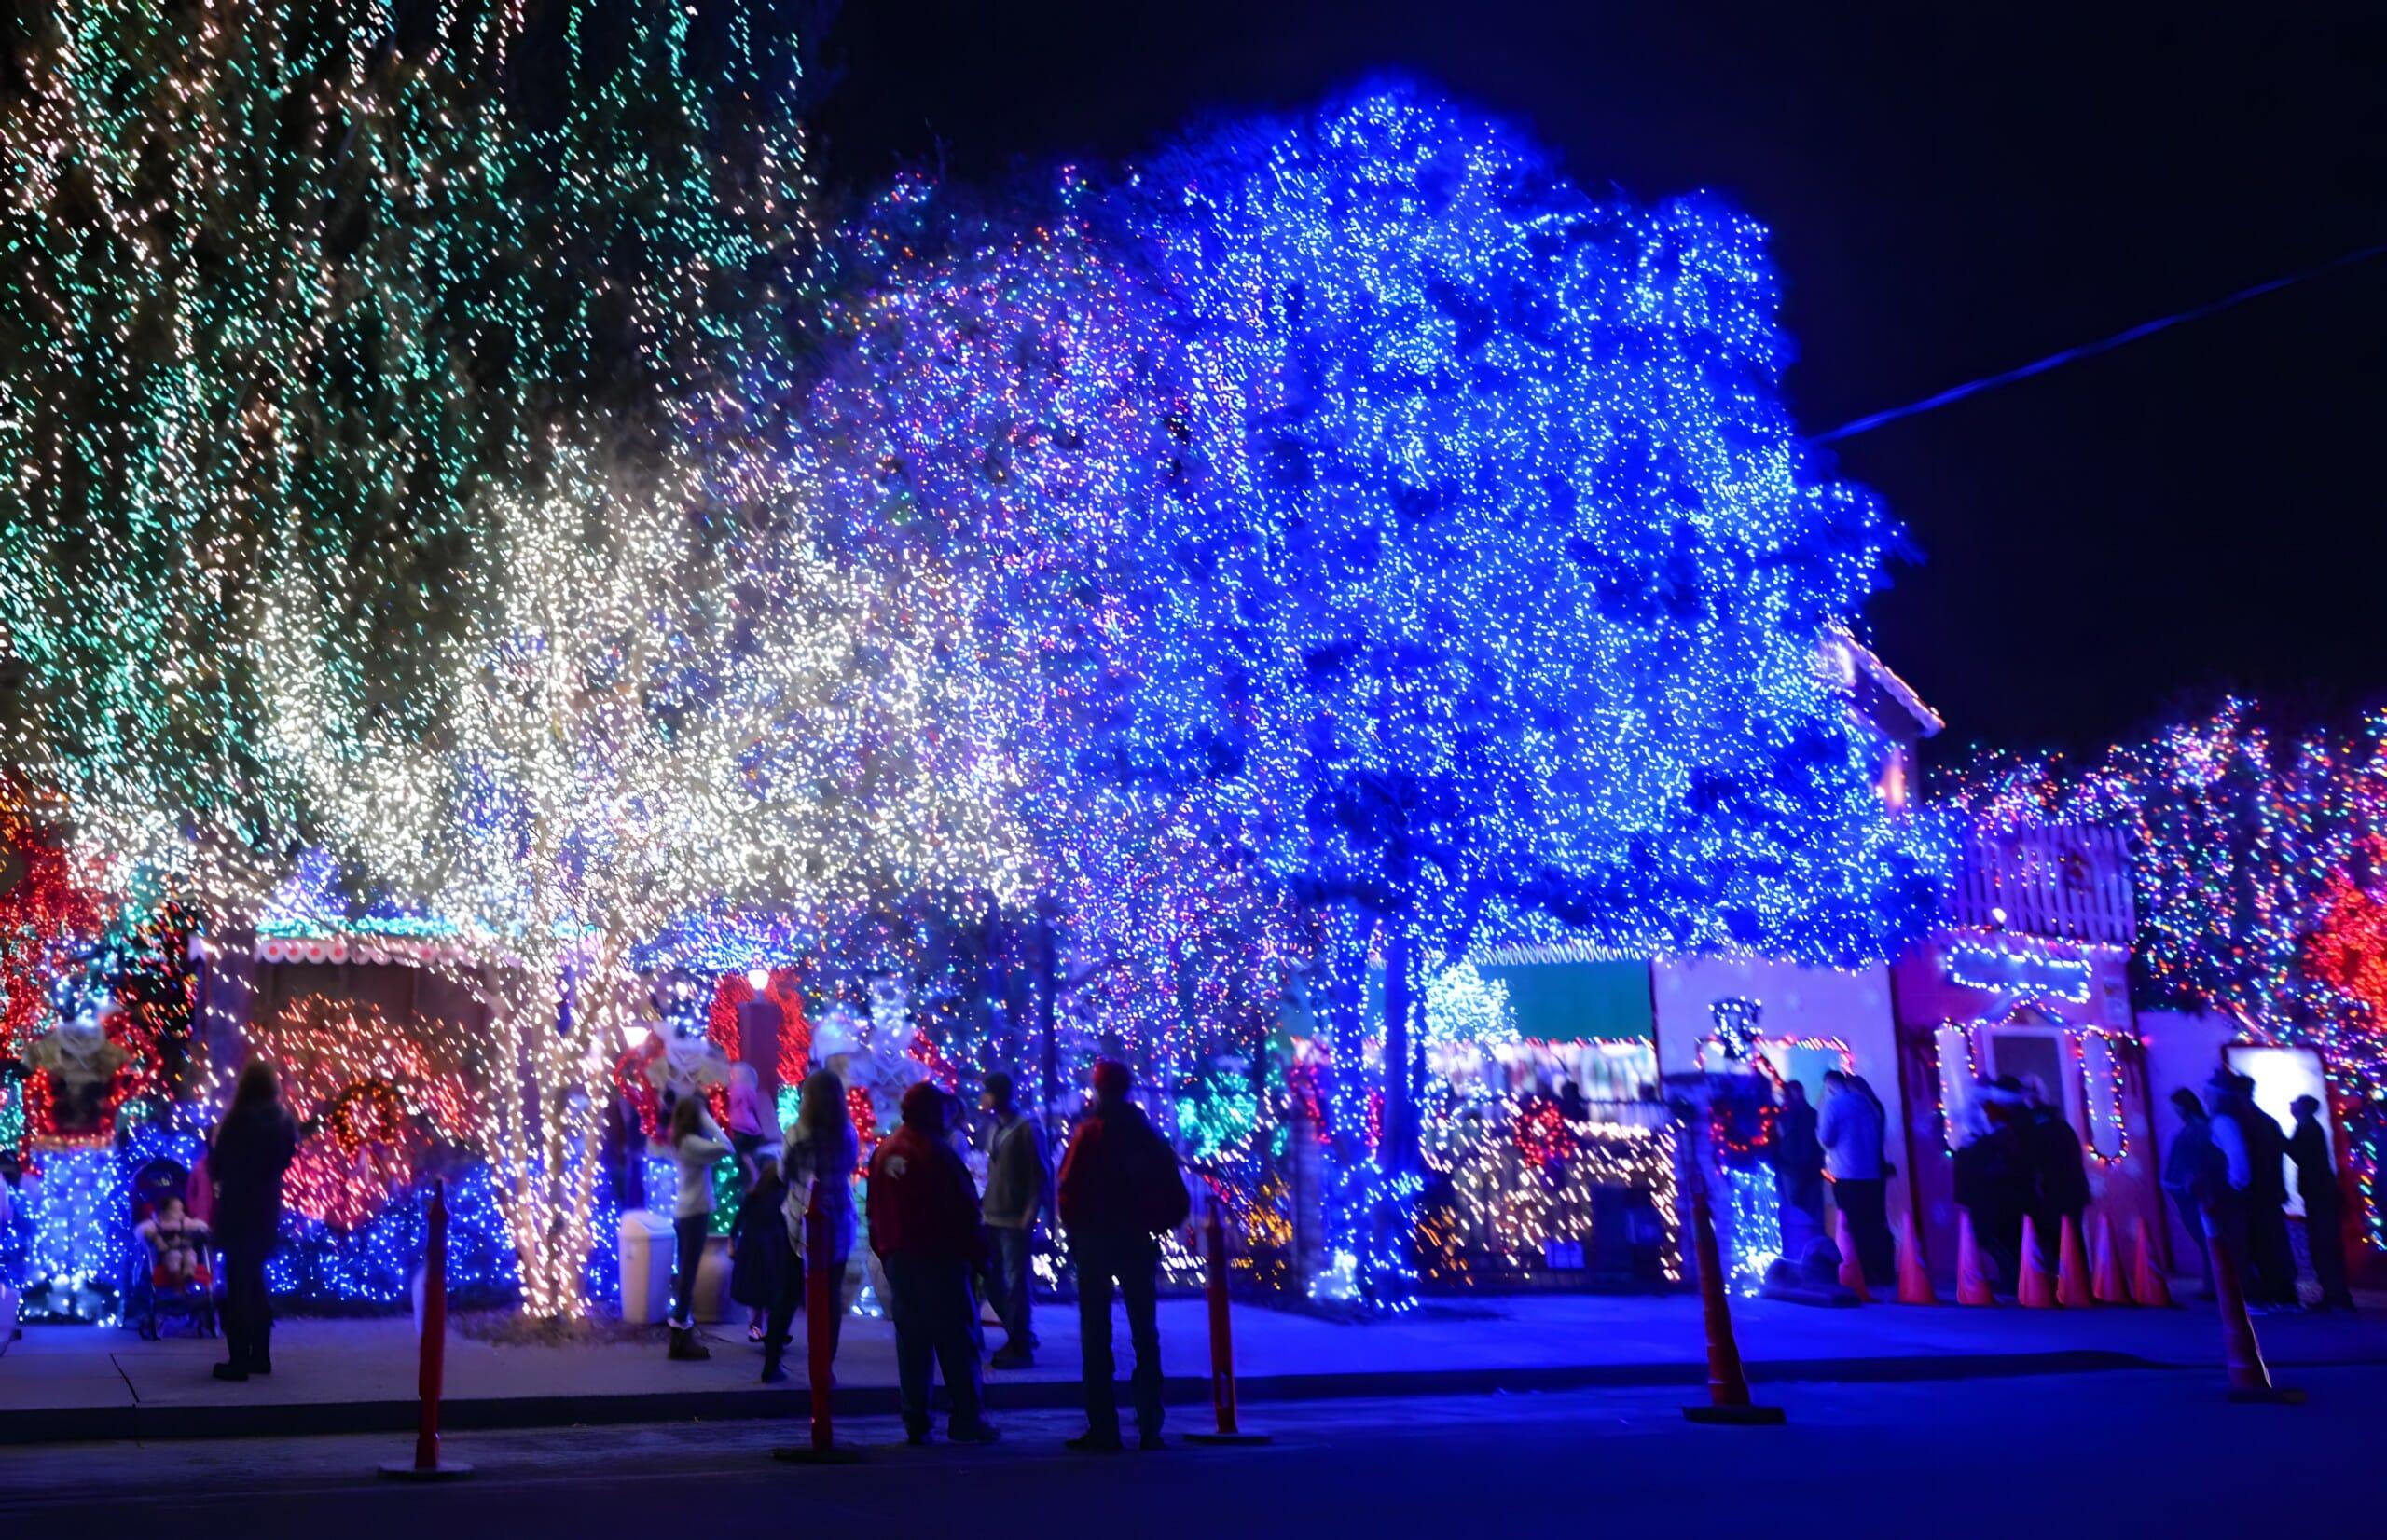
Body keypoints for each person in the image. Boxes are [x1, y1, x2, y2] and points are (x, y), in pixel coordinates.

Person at [1057, 1058, 1189, 1452]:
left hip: (1097, 1241)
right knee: (1145, 1333)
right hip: (1136, 1241)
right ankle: (1150, 1424)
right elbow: (1177, 1196)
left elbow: (1067, 1190)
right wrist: (1154, 1225)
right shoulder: (1148, 1137)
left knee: (1096, 1334)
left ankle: (1104, 1426)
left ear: (1098, 1089)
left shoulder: (1089, 1134)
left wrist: (1077, 1233)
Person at [869, 1080, 999, 1445]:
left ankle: (917, 1420)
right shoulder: (937, 1153)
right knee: (958, 1342)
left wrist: (888, 1252)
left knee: (912, 1344)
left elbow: (875, 1210)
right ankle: (967, 1418)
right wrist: (980, 1257)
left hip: (902, 1260)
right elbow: (963, 1210)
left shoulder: (885, 1151)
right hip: (941, 1261)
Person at [209, 1062, 301, 1382]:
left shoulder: (237, 1120)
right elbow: (287, 1159)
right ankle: (260, 1354)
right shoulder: (283, 1121)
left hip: (238, 1205)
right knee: (257, 1280)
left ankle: (238, 1360)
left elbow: (218, 1163)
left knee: (238, 1282)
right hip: (266, 1206)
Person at [774, 1068, 861, 1382]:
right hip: (837, 1217)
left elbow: (784, 1174)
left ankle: (772, 1363)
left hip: (801, 1219)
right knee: (831, 1298)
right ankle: (825, 1369)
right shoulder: (847, 1132)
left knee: (788, 1291)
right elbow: (851, 1164)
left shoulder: (798, 1134)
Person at [980, 1071, 1052, 1369]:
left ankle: (1019, 1341)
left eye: (987, 1093)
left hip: (1014, 1218)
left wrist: (1030, 1213)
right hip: (992, 1215)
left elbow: (1040, 1174)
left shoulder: (1027, 1129)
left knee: (1014, 1281)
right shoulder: (994, 1127)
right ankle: (1017, 1330)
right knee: (993, 1279)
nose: (982, 1099)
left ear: (998, 1095)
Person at [667, 1094, 732, 1360]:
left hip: (689, 1213)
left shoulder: (684, 1141)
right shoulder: (691, 1144)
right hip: (693, 1214)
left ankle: (682, 1336)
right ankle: (680, 1340)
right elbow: (727, 1146)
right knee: (687, 1275)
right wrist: (707, 1117)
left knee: (687, 1274)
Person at [1816, 1069, 1893, 1286]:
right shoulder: (1869, 1104)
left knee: (1851, 1224)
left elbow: (1826, 1139)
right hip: (1872, 1173)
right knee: (1874, 1222)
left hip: (1847, 1173)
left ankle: (1858, 1273)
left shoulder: (1833, 1106)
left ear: (1830, 1085)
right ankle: (1880, 1271)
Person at [2287, 1095, 2355, 1312]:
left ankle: (2337, 1297)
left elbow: (2299, 1155)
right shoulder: (2310, 1128)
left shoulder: (2308, 1129)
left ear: (2305, 1108)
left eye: (2296, 1103)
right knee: (2324, 1245)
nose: (2291, 1105)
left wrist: (2278, 1140)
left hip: (2319, 1196)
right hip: (2319, 1194)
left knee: (2324, 1245)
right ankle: (2334, 1295)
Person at [729, 1153, 794, 1379]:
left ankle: (758, 1329)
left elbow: (740, 1218)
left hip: (753, 1245)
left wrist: (732, 1240)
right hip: (774, 1247)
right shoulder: (784, 1194)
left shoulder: (755, 1194)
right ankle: (770, 1332)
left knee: (758, 1291)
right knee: (772, 1291)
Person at [2159, 1087, 2221, 1294]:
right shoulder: (2191, 1128)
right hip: (2185, 1190)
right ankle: (2212, 1283)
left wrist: (2190, 1181)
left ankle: (2215, 1284)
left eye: (2177, 1106)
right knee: (2204, 1237)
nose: (2175, 1110)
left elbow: (2200, 1160)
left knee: (2207, 1238)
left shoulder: (2198, 1129)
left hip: (2194, 1191)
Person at [2023, 1081, 2091, 1257]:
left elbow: (2036, 1165)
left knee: (2058, 1240)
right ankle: (2080, 1278)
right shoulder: (2064, 1128)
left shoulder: (2038, 1135)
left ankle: (2066, 1278)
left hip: (2055, 1193)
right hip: (2075, 1190)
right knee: (2074, 1237)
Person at [1773, 1080, 1826, 1244]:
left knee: (1796, 1213)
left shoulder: (1783, 1116)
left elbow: (1778, 1141)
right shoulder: (1812, 1114)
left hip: (1793, 1170)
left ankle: (1802, 1249)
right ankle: (1813, 1249)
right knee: (1810, 1215)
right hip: (1807, 1171)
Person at [137, 1192, 212, 1289]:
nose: (181, 1213)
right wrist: (154, 1237)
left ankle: (189, 1275)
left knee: (191, 1254)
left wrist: (201, 1230)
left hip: (184, 1248)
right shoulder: (156, 1224)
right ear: (166, 1211)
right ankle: (177, 1278)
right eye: (178, 1210)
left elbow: (196, 1226)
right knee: (174, 1256)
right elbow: (144, 1231)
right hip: (166, 1251)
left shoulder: (183, 1222)